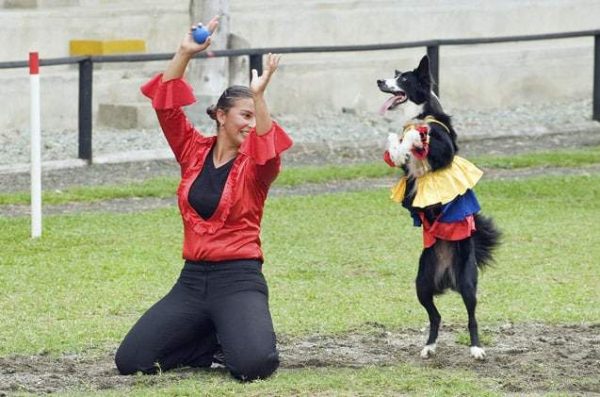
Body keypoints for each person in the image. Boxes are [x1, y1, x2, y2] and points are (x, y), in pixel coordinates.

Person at [114, 16, 293, 382]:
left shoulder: (256, 168)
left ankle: (239, 332)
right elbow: (165, 107)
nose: (249, 123)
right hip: (192, 281)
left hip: (239, 278)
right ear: (221, 116)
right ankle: (212, 335)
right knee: (131, 360)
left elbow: (268, 148)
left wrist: (259, 98)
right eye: (243, 114)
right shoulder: (193, 151)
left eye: (253, 115)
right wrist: (185, 52)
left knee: (253, 366)